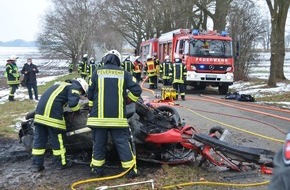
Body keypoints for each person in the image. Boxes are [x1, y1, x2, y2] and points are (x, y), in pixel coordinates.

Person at [87, 50, 142, 178]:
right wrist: (129, 100)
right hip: (117, 119)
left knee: (99, 144)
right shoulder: (125, 74)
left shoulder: (96, 72)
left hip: (98, 119)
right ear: (118, 60)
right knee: (122, 143)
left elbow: (90, 94)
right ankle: (129, 171)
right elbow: (137, 89)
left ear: (105, 59)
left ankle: (97, 170)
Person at [31, 78, 88, 172]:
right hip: (53, 117)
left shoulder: (58, 85)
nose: (81, 95)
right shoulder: (74, 87)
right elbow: (73, 104)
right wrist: (78, 111)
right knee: (58, 141)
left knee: (39, 141)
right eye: (82, 93)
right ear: (81, 88)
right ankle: (61, 163)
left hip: (39, 116)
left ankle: (37, 165)